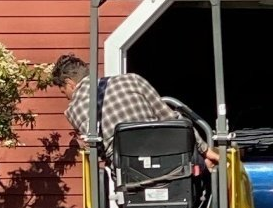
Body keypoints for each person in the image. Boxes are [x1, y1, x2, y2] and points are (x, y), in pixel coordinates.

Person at [53, 54, 217, 166]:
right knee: (206, 167)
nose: (67, 97)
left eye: (63, 92)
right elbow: (170, 118)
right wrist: (204, 150)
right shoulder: (131, 79)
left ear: (70, 83)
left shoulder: (73, 110)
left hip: (127, 175)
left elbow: (100, 151)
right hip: (168, 163)